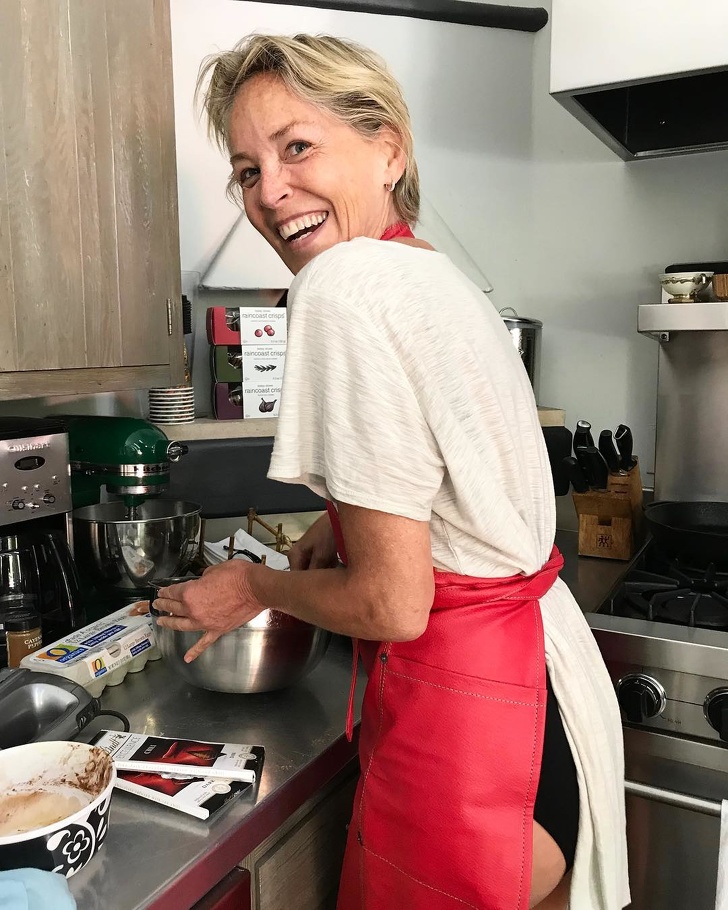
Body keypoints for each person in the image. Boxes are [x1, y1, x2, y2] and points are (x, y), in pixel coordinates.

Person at [154, 34, 629, 910]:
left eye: (297, 147)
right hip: (545, 711)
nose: (269, 192)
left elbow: (392, 604)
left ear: (389, 148)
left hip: (471, 736)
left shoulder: (343, 286)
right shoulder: (437, 278)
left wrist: (254, 587)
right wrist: (344, 525)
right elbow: (458, 487)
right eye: (246, 169)